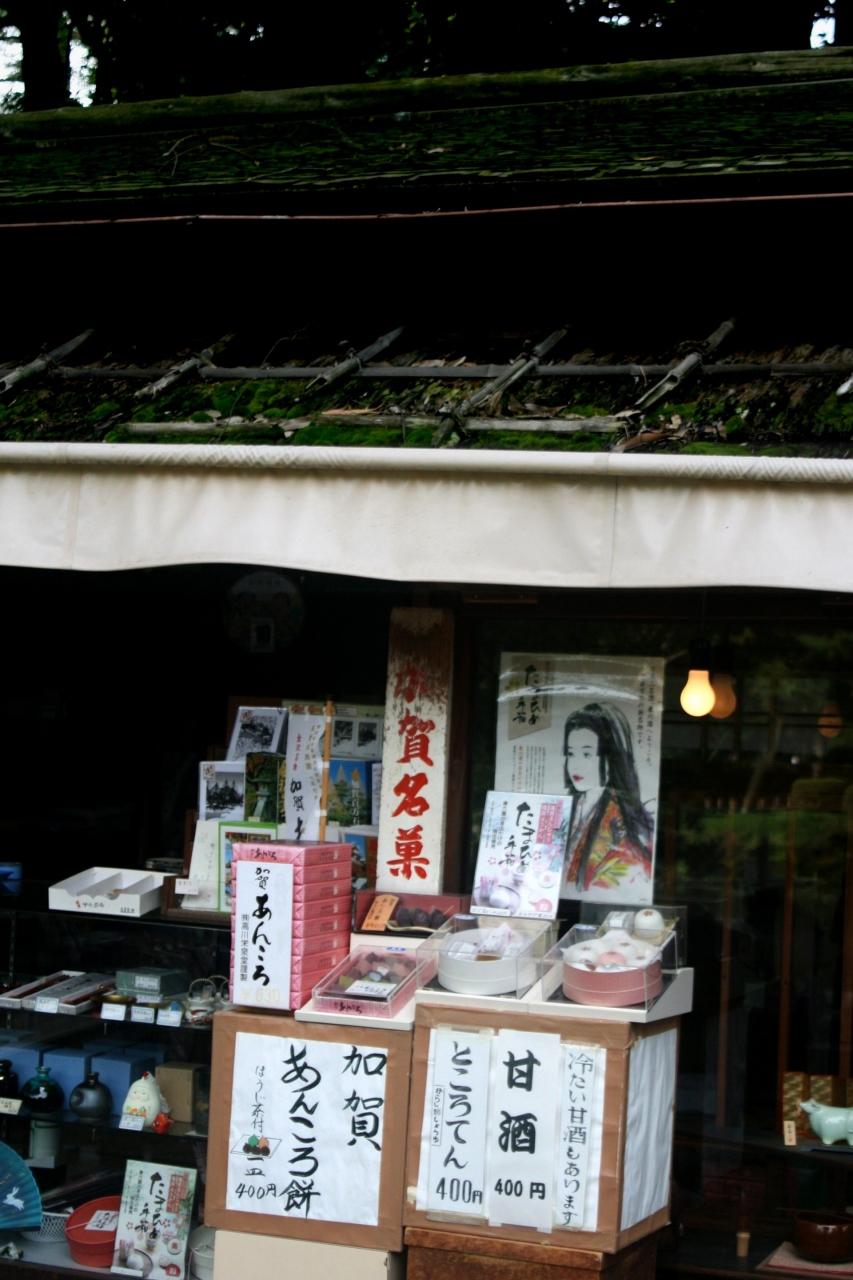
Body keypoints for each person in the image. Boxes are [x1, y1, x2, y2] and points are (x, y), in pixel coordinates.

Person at [562, 701, 653, 895]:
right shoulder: (574, 805)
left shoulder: (622, 821)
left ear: (611, 758)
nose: (575, 764)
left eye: (587, 754)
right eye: (571, 753)